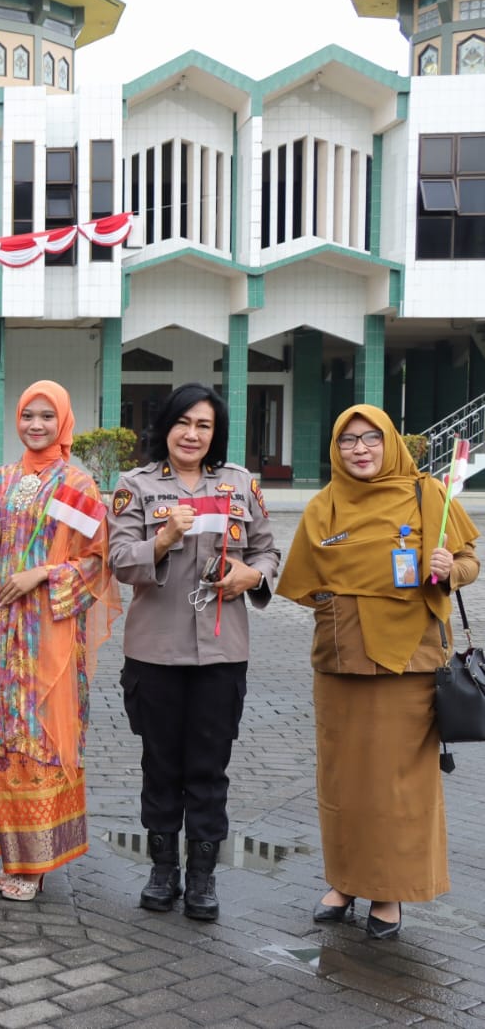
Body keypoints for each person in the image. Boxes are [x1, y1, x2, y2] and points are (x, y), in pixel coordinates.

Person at [278, 405, 479, 941]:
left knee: (398, 786)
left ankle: (387, 892)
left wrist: (448, 570)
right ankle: (345, 881)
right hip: (342, 664)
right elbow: (302, 580)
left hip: (410, 665)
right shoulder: (325, 505)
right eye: (348, 442)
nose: (360, 449)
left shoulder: (427, 495)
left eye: (370, 438)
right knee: (344, 779)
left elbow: (469, 560)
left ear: (390, 442)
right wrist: (336, 604)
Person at [107, 383, 278, 921]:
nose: (192, 434)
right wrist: (160, 542)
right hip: (155, 652)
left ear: (215, 433)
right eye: (183, 422)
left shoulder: (238, 484)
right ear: (167, 426)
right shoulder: (135, 485)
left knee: (209, 768)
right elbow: (118, 559)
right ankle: (163, 870)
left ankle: (202, 878)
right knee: (160, 765)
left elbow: (267, 550)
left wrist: (251, 575)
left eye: (203, 425)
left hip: (221, 653)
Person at [0, 381, 118, 902]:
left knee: (41, 736)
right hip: (1, 639)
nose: (37, 425)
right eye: (28, 415)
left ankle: (37, 861)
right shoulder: (3, 480)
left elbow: (96, 561)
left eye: (48, 416)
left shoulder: (78, 485)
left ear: (63, 422)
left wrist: (42, 574)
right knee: (5, 738)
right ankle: (13, 853)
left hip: (47, 634)